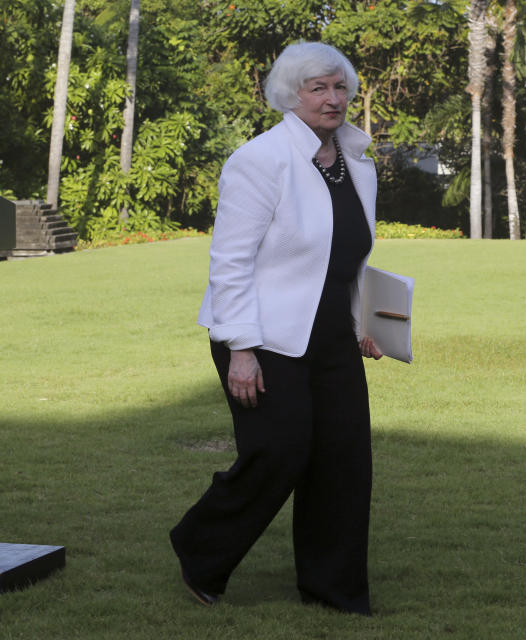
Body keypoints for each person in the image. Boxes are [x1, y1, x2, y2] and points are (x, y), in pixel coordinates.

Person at [169, 41, 382, 616]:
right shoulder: (260, 160)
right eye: (319, 88)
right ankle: (199, 547)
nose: (333, 99)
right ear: (291, 95)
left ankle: (333, 590)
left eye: (340, 88)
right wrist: (240, 348)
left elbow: (348, 255)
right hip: (262, 337)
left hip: (333, 336)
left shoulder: (357, 161)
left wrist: (366, 320)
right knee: (280, 451)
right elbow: (230, 262)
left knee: (343, 461)